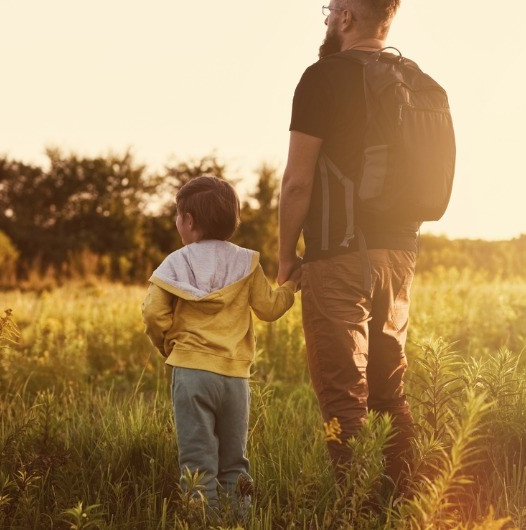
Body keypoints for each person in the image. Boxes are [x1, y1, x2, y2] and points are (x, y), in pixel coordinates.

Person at [277, 0, 418, 489]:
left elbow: (297, 183)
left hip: (338, 256)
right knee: (388, 394)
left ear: (346, 17)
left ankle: (360, 510)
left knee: (343, 400)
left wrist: (284, 257)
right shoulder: (414, 80)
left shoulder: (322, 77)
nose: (328, 16)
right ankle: (403, 502)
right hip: (401, 257)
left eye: (331, 7)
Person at [142, 176, 299, 512]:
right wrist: (291, 287)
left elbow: (154, 314)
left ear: (189, 221)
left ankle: (201, 521)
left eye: (178, 215)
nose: (176, 222)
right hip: (235, 378)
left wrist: (168, 345)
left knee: (197, 463)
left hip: (191, 374)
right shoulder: (246, 262)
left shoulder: (175, 264)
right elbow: (270, 308)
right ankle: (239, 519)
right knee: (234, 462)